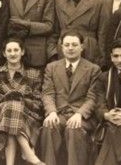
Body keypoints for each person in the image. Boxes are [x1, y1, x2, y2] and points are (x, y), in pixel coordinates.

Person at [39, 31, 101, 165]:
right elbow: (48, 93)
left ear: (82, 46)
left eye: (74, 44)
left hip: (82, 117)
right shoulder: (52, 67)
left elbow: (92, 97)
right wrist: (52, 112)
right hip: (59, 113)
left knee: (74, 129)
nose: (70, 48)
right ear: (61, 47)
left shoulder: (93, 69)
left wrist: (79, 114)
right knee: (49, 126)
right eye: (66, 45)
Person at [0, 39, 44, 165]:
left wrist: (22, 100)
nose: (13, 54)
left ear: (22, 52)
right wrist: (6, 98)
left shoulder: (33, 74)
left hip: (28, 115)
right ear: (4, 54)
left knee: (13, 111)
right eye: (9, 51)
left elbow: (38, 102)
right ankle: (29, 153)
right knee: (11, 107)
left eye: (16, 50)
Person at [7, 0, 55, 68]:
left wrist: (25, 24)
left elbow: (48, 26)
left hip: (37, 51)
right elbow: (7, 23)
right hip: (14, 51)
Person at [52, 0, 105, 64]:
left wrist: (101, 56)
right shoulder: (58, 0)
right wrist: (54, 52)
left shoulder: (99, 0)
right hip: (66, 47)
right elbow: (54, 31)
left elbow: (102, 32)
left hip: (89, 49)